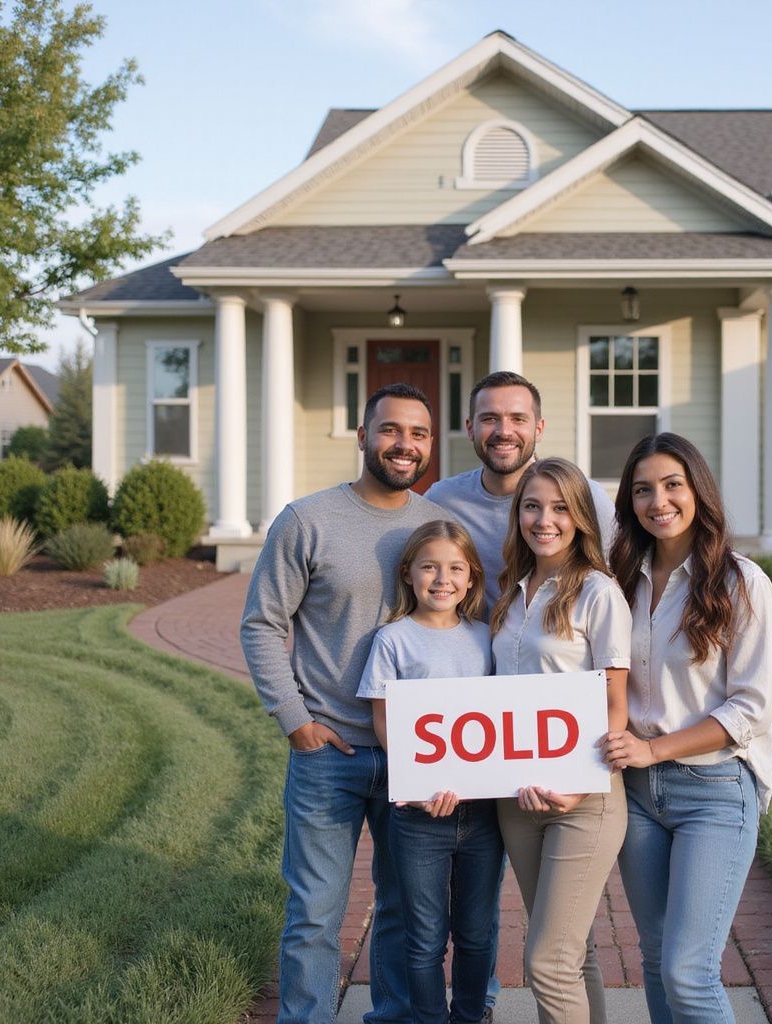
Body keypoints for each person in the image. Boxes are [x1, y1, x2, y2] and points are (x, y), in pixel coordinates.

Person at [241, 383, 445, 1024]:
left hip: (414, 752)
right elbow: (262, 623)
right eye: (389, 430)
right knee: (315, 912)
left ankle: (389, 1015)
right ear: (362, 436)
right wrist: (294, 719)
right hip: (329, 750)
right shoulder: (307, 520)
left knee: (402, 909)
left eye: (417, 433)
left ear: (430, 444)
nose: (404, 444)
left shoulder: (436, 528)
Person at [601, 433, 772, 1024]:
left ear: (698, 491)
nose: (659, 501)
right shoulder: (618, 581)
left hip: (714, 790)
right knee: (655, 960)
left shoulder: (742, 582)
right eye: (643, 489)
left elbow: (749, 710)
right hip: (635, 793)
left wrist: (653, 749)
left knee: (688, 969)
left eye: (673, 485)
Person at [491, 457, 631, 1024]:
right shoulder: (510, 592)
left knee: (547, 963)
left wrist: (575, 787)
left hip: (583, 801)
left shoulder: (598, 593)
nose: (543, 519)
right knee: (575, 952)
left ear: (579, 517)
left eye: (558, 507)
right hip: (517, 799)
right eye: (531, 505)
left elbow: (615, 706)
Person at [357, 519, 504, 1024]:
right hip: (420, 817)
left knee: (477, 932)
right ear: (409, 573)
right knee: (424, 937)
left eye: (455, 568)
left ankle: (470, 1016)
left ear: (471, 578)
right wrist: (417, 787)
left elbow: (506, 718)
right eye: (430, 567)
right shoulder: (393, 640)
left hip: (484, 814)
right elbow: (384, 722)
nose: (442, 579)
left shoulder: (488, 638)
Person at [427, 371, 616, 608]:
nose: (504, 431)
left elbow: (619, 582)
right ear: (470, 428)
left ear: (539, 428)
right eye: (489, 419)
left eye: (518, 419)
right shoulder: (442, 500)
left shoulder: (585, 496)